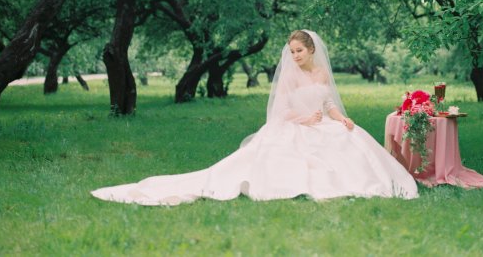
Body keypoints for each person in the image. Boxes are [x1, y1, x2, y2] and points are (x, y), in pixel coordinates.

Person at [91, 30, 418, 205]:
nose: (294, 56)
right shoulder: (289, 77)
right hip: (294, 126)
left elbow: (328, 102)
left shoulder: (320, 73)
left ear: (311, 50)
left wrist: (339, 118)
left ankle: (363, 181)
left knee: (348, 137)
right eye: (291, 51)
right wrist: (304, 120)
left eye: (299, 51)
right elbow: (282, 110)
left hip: (322, 123)